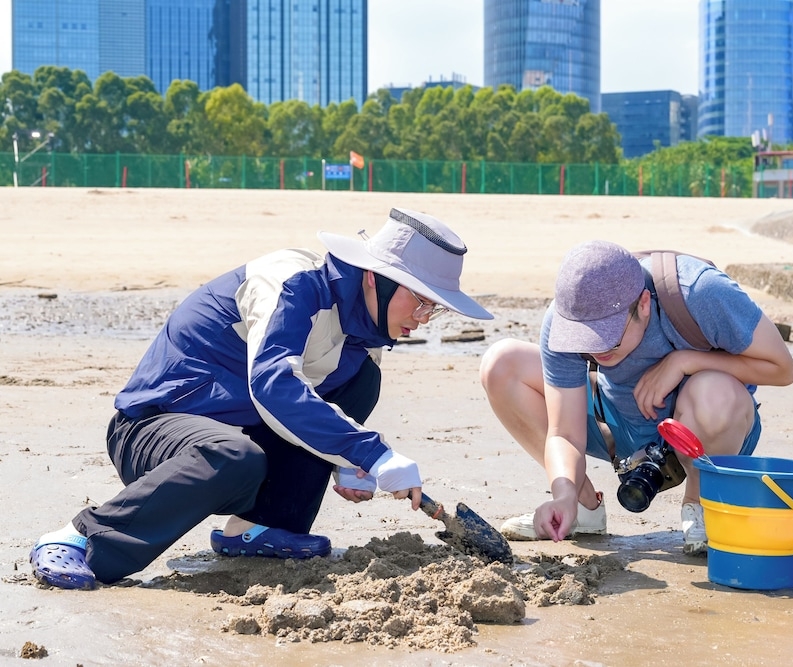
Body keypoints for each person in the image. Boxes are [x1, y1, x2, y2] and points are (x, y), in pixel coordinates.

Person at [29, 208, 493, 590]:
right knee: (233, 455)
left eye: (435, 307)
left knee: (361, 383)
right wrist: (371, 450)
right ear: (377, 279)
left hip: (240, 437)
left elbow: (315, 406)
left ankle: (258, 527)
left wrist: (347, 461)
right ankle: (81, 539)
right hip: (156, 429)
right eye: (421, 301)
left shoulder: (362, 336)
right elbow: (273, 385)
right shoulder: (291, 281)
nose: (425, 318)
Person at [479, 240, 793, 555]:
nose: (596, 350)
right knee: (501, 364)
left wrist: (685, 361)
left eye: (609, 341)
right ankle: (581, 507)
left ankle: (701, 504)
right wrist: (562, 493)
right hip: (618, 423)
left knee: (717, 394)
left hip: (707, 431)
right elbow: (564, 433)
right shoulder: (566, 319)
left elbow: (782, 369)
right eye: (585, 341)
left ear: (643, 304)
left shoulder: (702, 292)